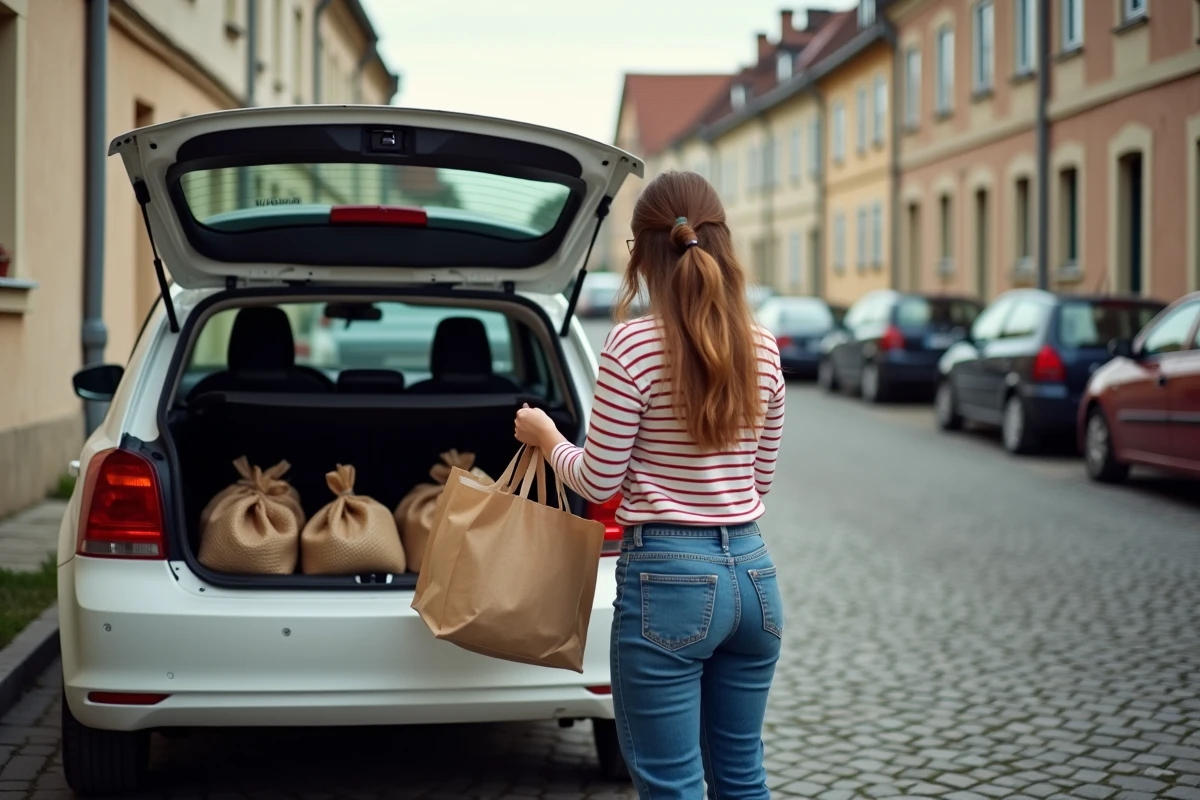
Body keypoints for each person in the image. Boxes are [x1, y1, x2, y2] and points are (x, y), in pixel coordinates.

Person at [513, 170, 786, 799]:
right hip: (754, 577)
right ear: (722, 241)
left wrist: (547, 438)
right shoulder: (764, 347)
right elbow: (759, 479)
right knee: (743, 779)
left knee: (671, 785)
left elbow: (598, 480)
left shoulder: (632, 345)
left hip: (669, 581)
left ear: (641, 254)